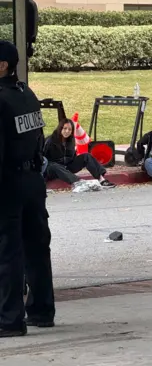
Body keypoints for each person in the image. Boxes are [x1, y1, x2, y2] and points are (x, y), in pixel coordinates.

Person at [0, 40, 55, 336]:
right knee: (36, 247)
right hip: (33, 180)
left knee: (7, 252)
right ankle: (42, 310)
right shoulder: (27, 94)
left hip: (9, 182)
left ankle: (9, 320)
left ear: (2, 65)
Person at [43, 118, 116, 188]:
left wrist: (78, 161)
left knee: (86, 156)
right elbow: (43, 158)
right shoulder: (50, 141)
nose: (67, 131)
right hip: (52, 169)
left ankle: (101, 180)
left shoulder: (71, 140)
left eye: (69, 129)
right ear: (60, 128)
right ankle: (79, 182)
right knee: (54, 166)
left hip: (67, 167)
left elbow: (72, 156)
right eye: (65, 128)